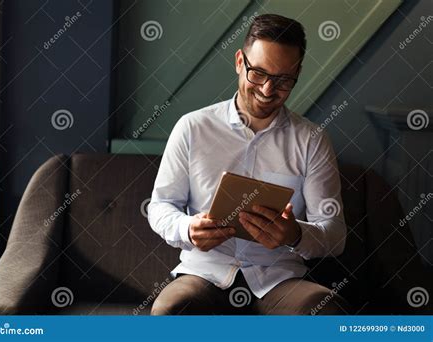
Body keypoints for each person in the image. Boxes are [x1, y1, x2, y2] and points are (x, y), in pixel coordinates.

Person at [148, 13, 349, 315]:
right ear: (240, 62)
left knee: (327, 315)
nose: (268, 90)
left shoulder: (311, 139)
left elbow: (335, 235)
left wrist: (295, 234)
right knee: (169, 312)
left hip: (280, 278)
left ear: (298, 73)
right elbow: (160, 206)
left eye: (283, 80)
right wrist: (187, 228)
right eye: (258, 73)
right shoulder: (192, 128)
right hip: (203, 273)